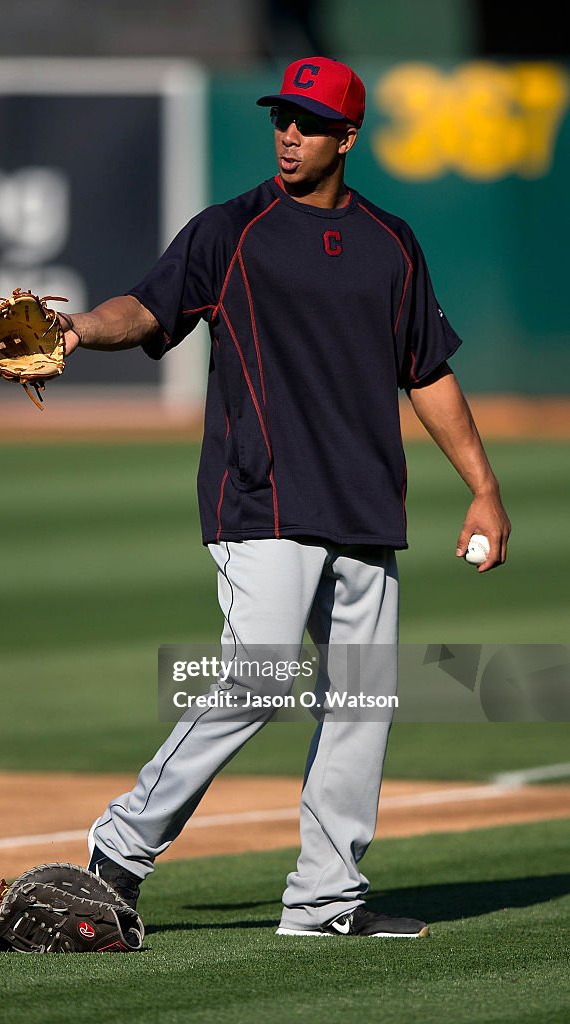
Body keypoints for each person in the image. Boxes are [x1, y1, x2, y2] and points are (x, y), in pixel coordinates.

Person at [57, 56, 511, 938]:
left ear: (347, 137)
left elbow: (428, 373)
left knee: (360, 705)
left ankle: (325, 901)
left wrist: (484, 489)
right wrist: (77, 327)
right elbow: (146, 311)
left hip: (365, 508)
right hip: (261, 502)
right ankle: (119, 850)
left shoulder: (392, 243)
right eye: (279, 118)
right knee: (256, 679)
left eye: (307, 121)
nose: (288, 134)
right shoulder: (232, 231)